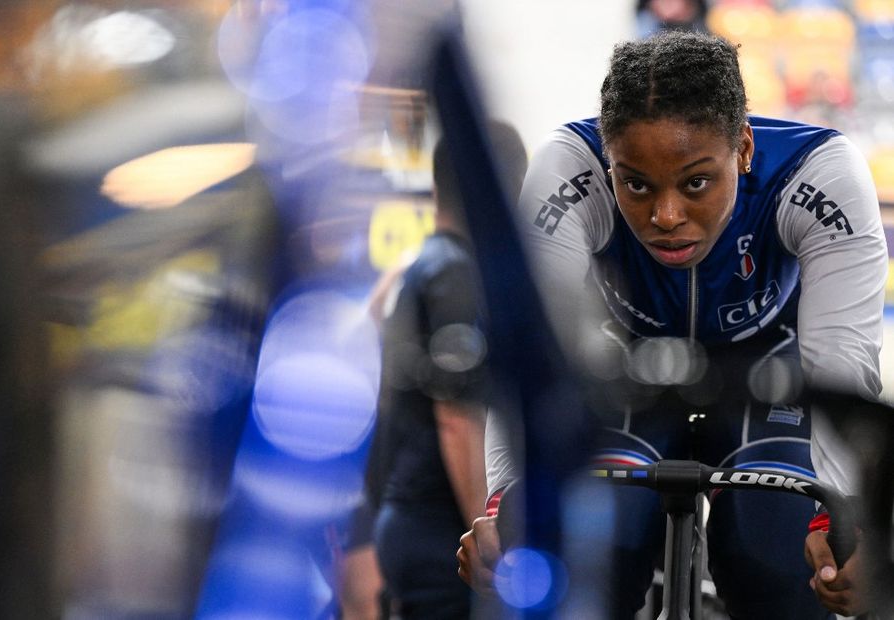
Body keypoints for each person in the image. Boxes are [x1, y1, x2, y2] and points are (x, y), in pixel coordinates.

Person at [457, 31, 887, 618]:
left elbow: (841, 361)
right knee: (591, 553)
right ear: (608, 160)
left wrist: (844, 519)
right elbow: (530, 357)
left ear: (742, 148)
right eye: (634, 183)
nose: (665, 216)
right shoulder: (568, 166)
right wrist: (506, 504)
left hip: (766, 384)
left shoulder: (821, 173)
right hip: (629, 379)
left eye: (695, 182)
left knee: (780, 560)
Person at [365, 120, 528, 618]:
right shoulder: (455, 272)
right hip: (442, 529)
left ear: (436, 183)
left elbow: (371, 328)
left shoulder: (418, 264)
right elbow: (456, 416)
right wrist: (486, 532)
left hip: (404, 513)